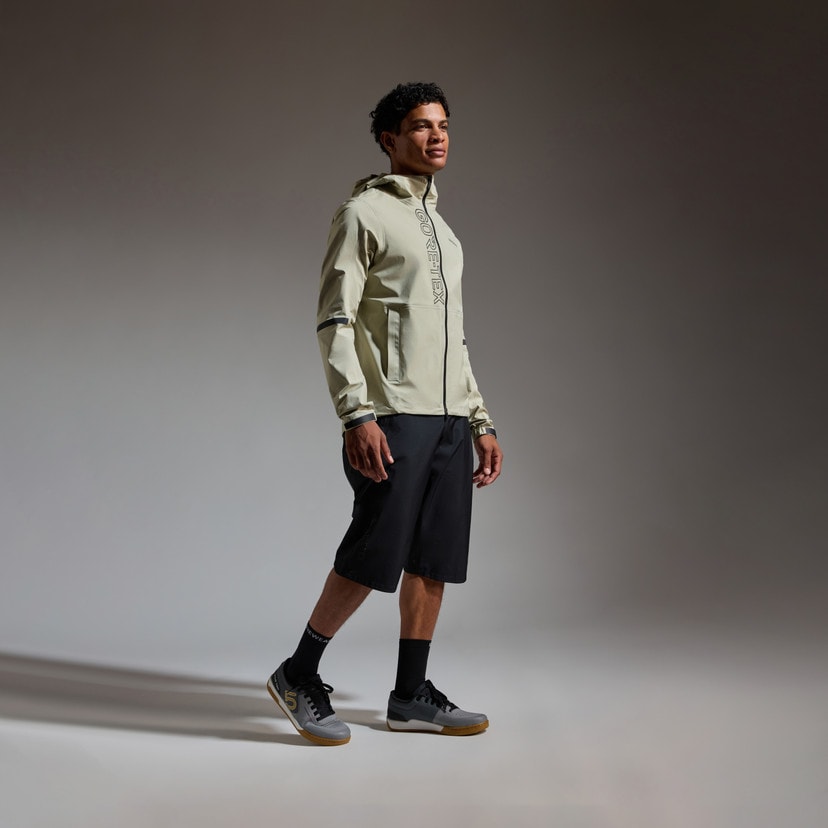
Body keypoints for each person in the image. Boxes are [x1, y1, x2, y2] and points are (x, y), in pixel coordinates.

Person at [266, 82, 503, 746]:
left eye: (444, 125)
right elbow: (334, 320)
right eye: (422, 126)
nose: (437, 136)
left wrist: (480, 420)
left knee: (432, 559)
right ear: (389, 139)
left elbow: (454, 339)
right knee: (374, 551)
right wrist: (356, 414)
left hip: (450, 418)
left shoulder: (445, 233)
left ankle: (410, 696)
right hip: (393, 413)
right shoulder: (362, 214)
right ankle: (297, 673)